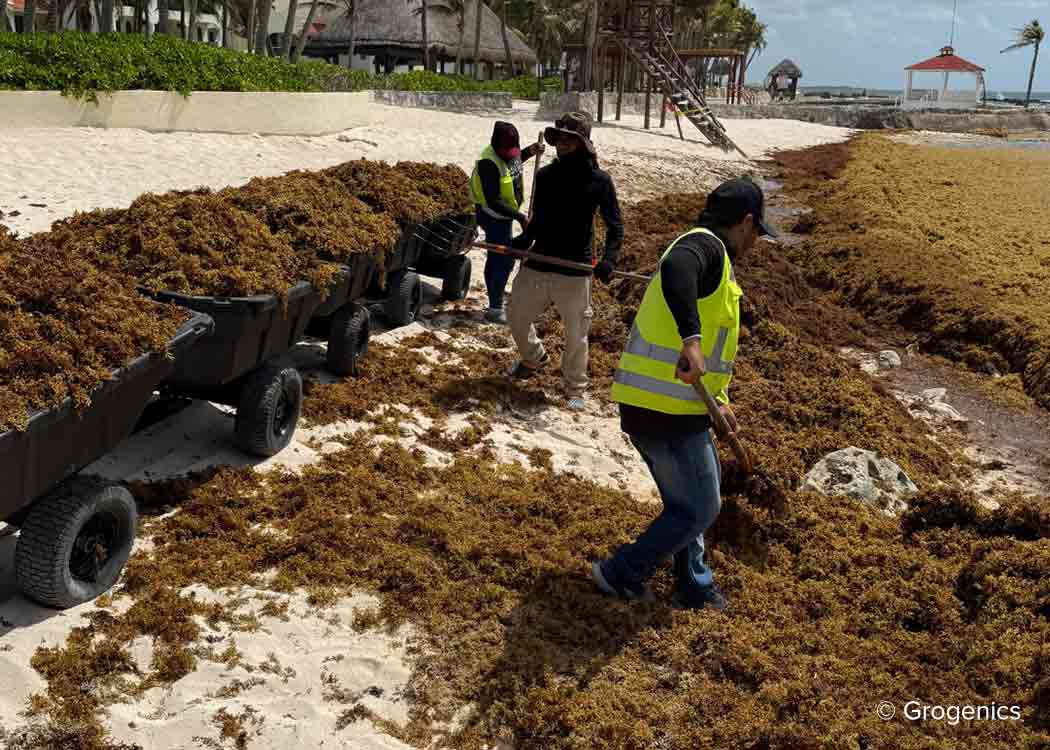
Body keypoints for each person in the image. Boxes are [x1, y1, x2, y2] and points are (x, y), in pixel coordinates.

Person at [592, 178, 776, 611]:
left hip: (668, 405)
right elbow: (678, 269)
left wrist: (721, 398)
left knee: (686, 503)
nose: (755, 242)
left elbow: (715, 343)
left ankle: (694, 584)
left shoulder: (714, 256)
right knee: (699, 508)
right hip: (666, 410)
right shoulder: (703, 246)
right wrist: (690, 340)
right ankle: (620, 572)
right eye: (757, 232)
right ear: (746, 222)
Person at [506, 112, 624, 412]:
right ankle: (534, 358)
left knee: (576, 334)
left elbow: (615, 226)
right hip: (540, 260)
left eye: (570, 139)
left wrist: (609, 258)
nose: (562, 143)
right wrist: (523, 242)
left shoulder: (600, 181)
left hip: (575, 268)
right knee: (516, 314)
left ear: (583, 143)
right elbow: (538, 220)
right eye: (559, 138)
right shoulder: (546, 176)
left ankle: (575, 386)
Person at [470, 122, 545, 324]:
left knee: (504, 256)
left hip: (505, 215)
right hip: (492, 215)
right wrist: (521, 217)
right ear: (496, 146)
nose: (510, 155)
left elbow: (515, 163)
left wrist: (529, 151)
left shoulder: (508, 154)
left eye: (513, 151)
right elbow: (493, 200)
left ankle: (498, 291)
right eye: (506, 151)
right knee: (500, 259)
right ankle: (495, 308)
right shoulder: (488, 163)